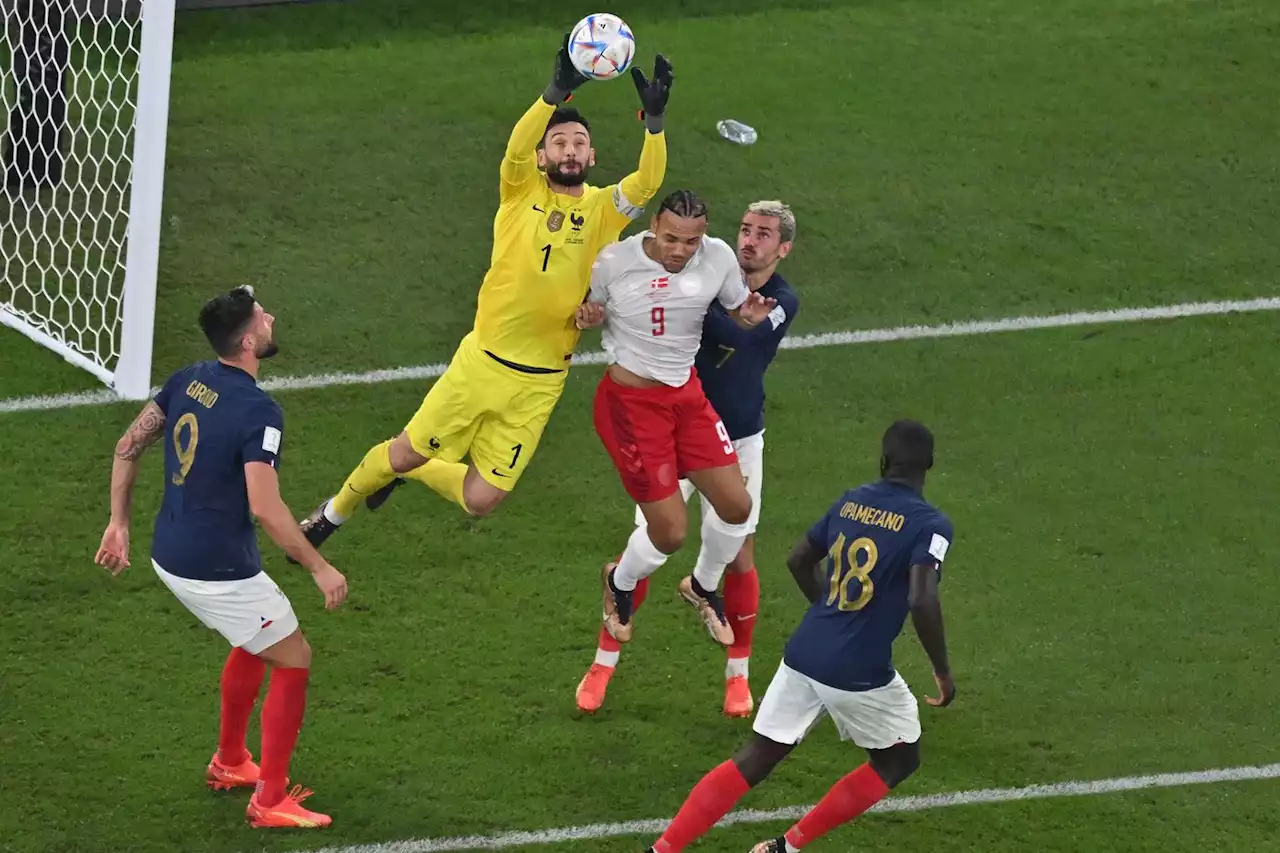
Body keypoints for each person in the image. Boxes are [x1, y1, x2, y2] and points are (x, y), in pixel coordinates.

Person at [294, 36, 672, 551]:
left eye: (579, 143)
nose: (569, 150)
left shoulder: (604, 211)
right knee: (404, 452)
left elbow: (648, 184)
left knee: (480, 499)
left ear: (592, 154)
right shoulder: (519, 192)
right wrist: (553, 94)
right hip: (483, 364)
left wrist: (654, 125)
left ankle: (421, 473)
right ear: (542, 157)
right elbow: (516, 146)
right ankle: (333, 513)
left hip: (541, 383)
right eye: (559, 143)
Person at [93, 285, 348, 829]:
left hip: (170, 550)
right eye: (263, 314)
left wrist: (118, 524)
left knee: (256, 639)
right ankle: (271, 799)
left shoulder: (189, 378)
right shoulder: (261, 411)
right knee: (294, 655)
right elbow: (266, 505)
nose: (271, 315)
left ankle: (231, 761)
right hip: (215, 568)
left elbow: (127, 445)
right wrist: (319, 566)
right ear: (250, 340)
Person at [642, 420, 957, 853]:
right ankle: (786, 847)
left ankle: (662, 849)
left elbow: (798, 559)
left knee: (755, 757)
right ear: (930, 465)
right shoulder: (930, 524)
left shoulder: (851, 503)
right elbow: (922, 598)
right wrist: (942, 671)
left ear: (883, 462)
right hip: (859, 670)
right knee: (899, 759)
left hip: (806, 651)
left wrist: (827, 607)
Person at [576, 200, 800, 717]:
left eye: (763, 235)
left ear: (783, 248)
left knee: (739, 530)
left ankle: (728, 651)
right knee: (660, 533)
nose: (750, 241)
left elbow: (738, 333)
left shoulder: (775, 295)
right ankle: (603, 661)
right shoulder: (680, 270)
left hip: (733, 429)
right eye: (745, 229)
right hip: (657, 415)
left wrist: (724, 310)